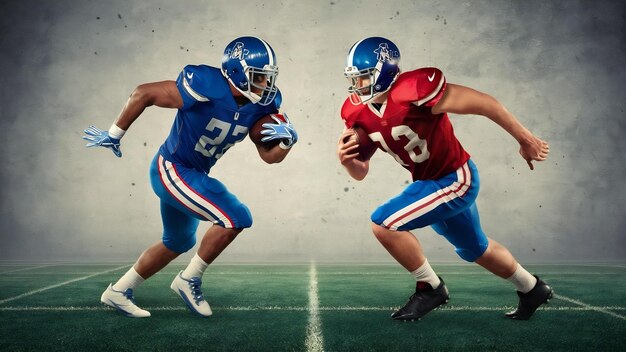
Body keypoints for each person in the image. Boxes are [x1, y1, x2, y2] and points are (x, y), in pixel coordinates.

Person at [337, 37, 553, 321]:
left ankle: (431, 288)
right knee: (476, 248)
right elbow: (361, 172)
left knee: (383, 223)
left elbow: (484, 103)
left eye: (364, 78)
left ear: (384, 72)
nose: (357, 86)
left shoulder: (413, 90)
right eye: (354, 79)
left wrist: (526, 139)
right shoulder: (357, 111)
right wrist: (349, 161)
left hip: (454, 178)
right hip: (429, 183)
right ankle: (532, 288)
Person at [83, 36, 297, 318]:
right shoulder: (205, 84)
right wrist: (114, 134)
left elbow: (268, 156)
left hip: (191, 174)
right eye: (258, 78)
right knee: (236, 216)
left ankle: (119, 291)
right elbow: (143, 93)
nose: (265, 85)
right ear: (235, 73)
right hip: (172, 169)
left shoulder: (262, 106)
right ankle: (189, 279)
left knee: (179, 241)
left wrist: (286, 142)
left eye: (269, 78)